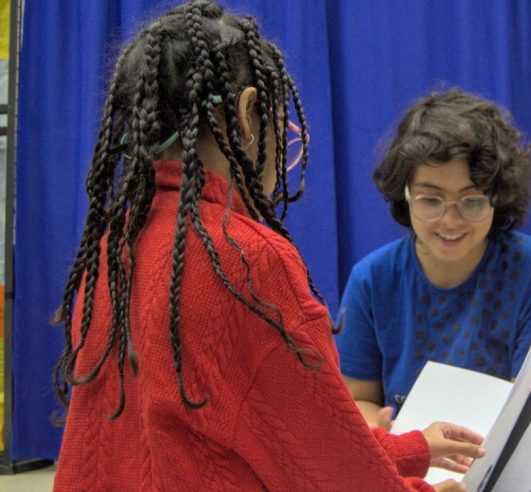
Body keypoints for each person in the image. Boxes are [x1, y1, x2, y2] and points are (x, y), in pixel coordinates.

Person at [51, 3, 485, 491]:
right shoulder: (244, 261)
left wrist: (413, 450)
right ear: (248, 113)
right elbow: (334, 478)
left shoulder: (115, 247)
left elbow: (279, 440)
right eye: (282, 120)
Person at [335, 89, 531, 488]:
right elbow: (359, 400)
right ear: (404, 196)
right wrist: (384, 432)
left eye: (472, 201)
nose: (450, 220)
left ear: (498, 197)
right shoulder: (372, 278)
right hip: (413, 466)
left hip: (502, 462)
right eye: (431, 200)